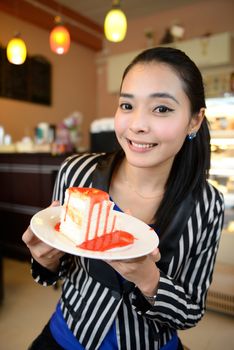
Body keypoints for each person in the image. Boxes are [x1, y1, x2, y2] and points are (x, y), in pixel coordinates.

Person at [22, 47, 224, 350]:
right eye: (127, 105)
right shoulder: (76, 173)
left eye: (161, 109)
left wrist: (149, 280)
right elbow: (58, 272)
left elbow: (191, 311)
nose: (137, 124)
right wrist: (44, 261)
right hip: (66, 338)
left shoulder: (207, 205)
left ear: (194, 121)